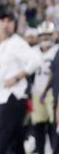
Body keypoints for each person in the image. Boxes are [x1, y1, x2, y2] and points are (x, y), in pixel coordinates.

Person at [0, 9, 43, 154]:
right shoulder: (3, 45)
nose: (6, 24)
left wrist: (17, 77)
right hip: (2, 97)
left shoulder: (16, 43)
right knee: (15, 142)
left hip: (13, 97)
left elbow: (36, 60)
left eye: (9, 21)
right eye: (3, 21)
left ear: (14, 25)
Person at [30, 24, 56, 154]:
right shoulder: (33, 50)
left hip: (52, 92)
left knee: (53, 124)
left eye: (48, 34)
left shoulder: (57, 49)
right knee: (38, 124)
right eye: (43, 35)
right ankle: (40, 150)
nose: (45, 37)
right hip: (37, 90)